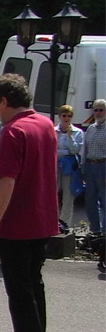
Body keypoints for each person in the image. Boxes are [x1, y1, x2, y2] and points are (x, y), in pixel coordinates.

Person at [0, 74, 57, 332]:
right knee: (34, 287)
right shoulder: (44, 124)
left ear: (4, 100)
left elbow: (6, 182)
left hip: (19, 222)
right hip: (42, 219)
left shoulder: (13, 132)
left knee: (21, 293)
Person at [55, 105, 84, 227]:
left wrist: (69, 136)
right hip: (55, 164)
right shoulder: (53, 130)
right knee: (52, 193)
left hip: (70, 167)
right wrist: (64, 152)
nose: (66, 118)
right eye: (64, 115)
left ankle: (65, 223)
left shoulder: (78, 132)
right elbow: (51, 149)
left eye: (69, 116)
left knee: (68, 195)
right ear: (60, 116)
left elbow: (75, 150)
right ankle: (51, 221)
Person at [82, 99, 106, 236]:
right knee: (90, 200)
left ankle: (105, 233)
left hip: (103, 165)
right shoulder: (90, 128)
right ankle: (95, 230)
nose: (98, 113)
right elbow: (85, 149)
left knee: (104, 199)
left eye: (101, 110)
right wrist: (83, 169)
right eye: (95, 110)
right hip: (90, 165)